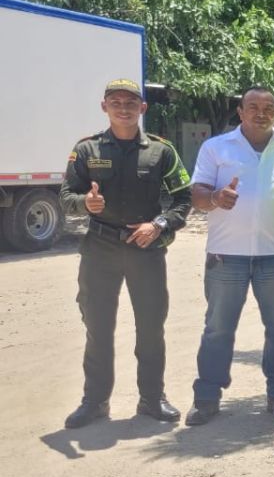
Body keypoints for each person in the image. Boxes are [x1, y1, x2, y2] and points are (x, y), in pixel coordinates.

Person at [60, 78, 192, 429]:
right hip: (99, 249)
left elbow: (183, 198)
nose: (123, 107)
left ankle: (152, 399)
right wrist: (85, 203)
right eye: (115, 101)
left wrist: (159, 225)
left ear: (142, 108)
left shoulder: (161, 151)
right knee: (98, 328)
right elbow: (66, 199)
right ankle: (95, 402)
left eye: (131, 102)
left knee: (151, 327)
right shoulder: (86, 150)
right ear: (104, 106)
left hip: (144, 247)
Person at [185, 86, 274, 425]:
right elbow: (196, 193)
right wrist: (214, 199)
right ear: (240, 112)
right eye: (252, 106)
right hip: (227, 256)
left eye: (269, 107)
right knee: (218, 329)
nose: (261, 112)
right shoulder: (216, 148)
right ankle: (207, 398)